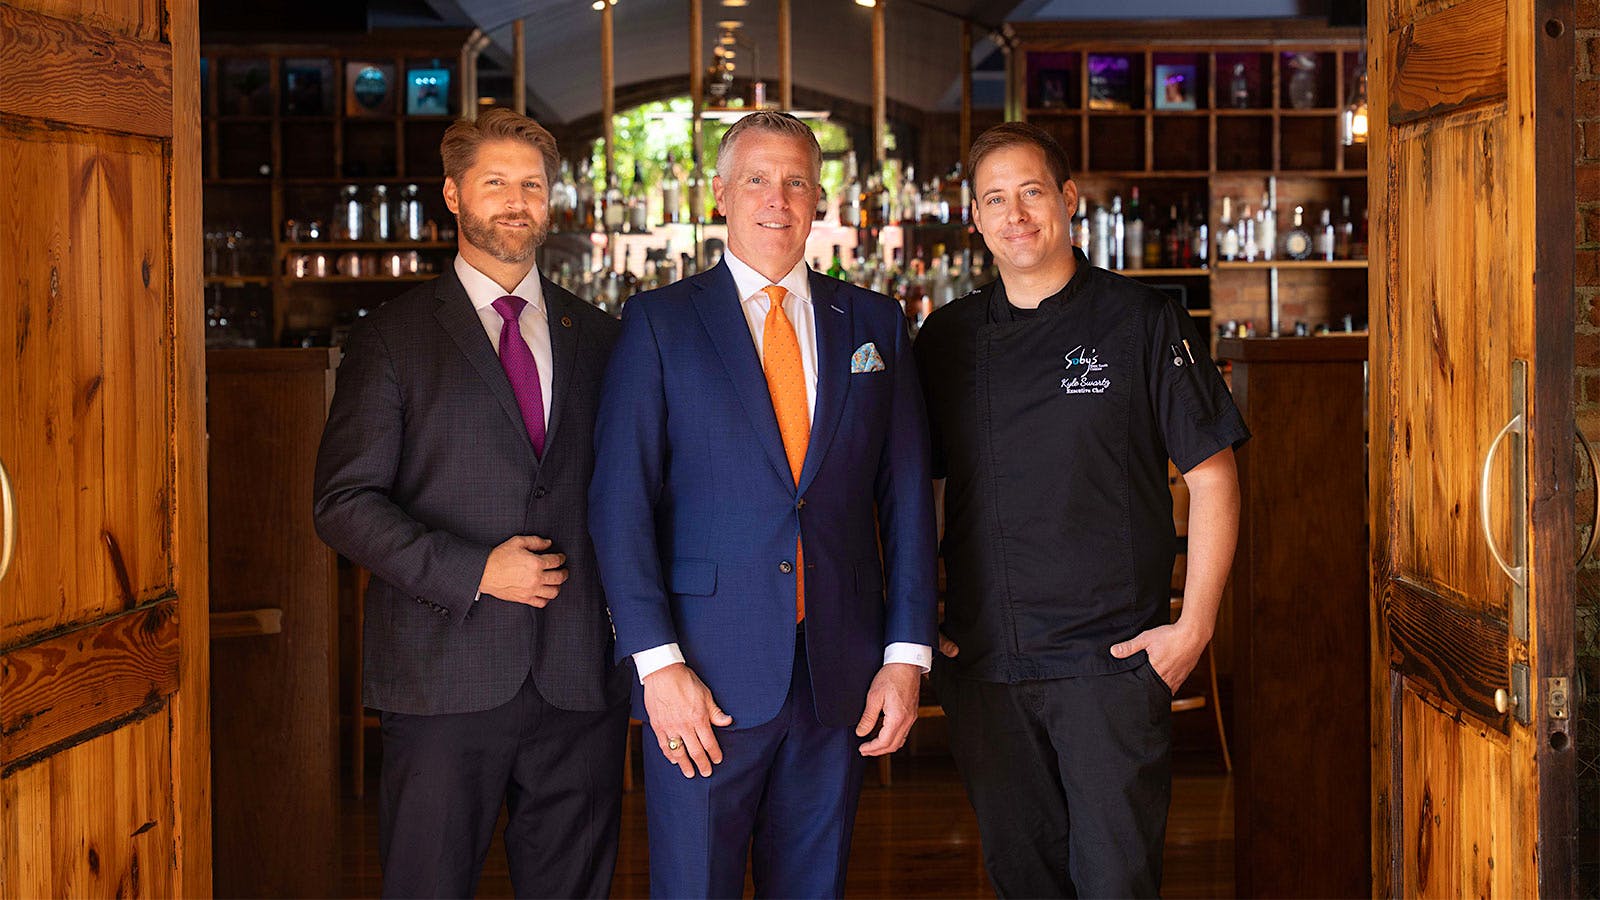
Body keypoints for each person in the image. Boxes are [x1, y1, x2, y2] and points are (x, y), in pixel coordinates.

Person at [588, 110, 938, 899]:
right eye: (756, 180)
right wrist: (657, 665)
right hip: (700, 681)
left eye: (795, 182)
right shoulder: (658, 322)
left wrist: (905, 656)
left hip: (839, 676)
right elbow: (619, 506)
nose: (777, 199)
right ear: (720, 194)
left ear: (818, 198)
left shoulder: (875, 321)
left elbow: (908, 501)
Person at [913, 122, 1249, 899]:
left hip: (1111, 663)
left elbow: (1214, 477)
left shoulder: (1142, 320)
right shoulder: (947, 338)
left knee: (1115, 884)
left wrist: (1195, 626)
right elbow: (925, 490)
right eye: (995, 198)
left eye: (1032, 191)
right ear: (975, 217)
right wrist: (917, 611)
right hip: (987, 665)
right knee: (1022, 881)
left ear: (1068, 199)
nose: (1016, 214)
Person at [313, 108, 628, 899]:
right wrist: (476, 571)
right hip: (442, 676)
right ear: (453, 195)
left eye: (533, 185)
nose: (517, 202)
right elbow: (344, 502)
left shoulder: (602, 337)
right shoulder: (391, 338)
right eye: (496, 183)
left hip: (579, 679)